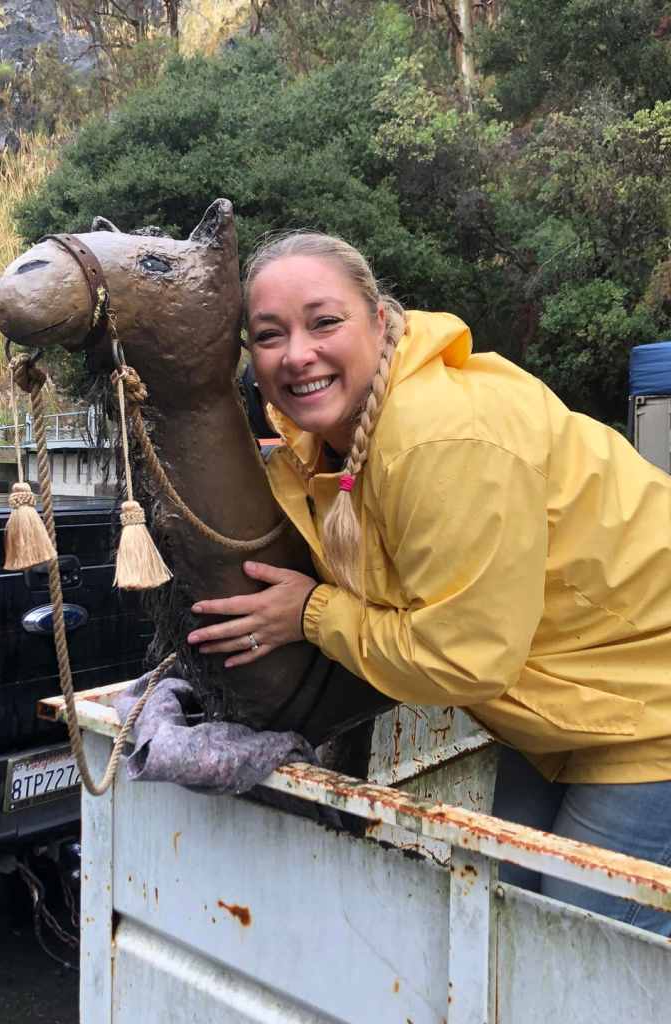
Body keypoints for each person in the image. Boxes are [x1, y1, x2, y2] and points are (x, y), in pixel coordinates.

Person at [186, 232, 671, 934]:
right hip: (563, 703)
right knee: (516, 918)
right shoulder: (315, 441)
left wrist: (313, 614)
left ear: (381, 321)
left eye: (325, 321)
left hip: (648, 698)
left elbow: (463, 656)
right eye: (269, 335)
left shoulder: (435, 435)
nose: (297, 354)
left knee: (585, 944)